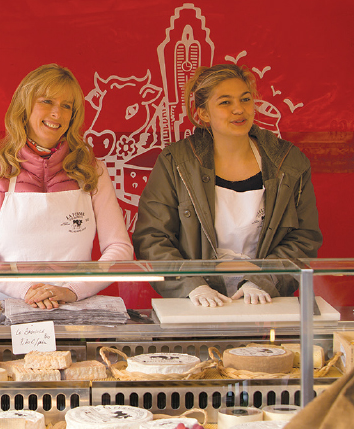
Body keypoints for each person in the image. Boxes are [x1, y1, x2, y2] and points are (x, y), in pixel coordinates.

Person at [132, 63, 322, 307]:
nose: (239, 110)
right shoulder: (175, 163)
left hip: (267, 303)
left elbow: (304, 238)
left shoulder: (289, 162)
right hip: (196, 306)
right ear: (203, 113)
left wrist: (263, 280)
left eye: (245, 99)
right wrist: (192, 285)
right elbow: (152, 237)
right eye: (225, 102)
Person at [0, 64, 133, 308]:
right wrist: (26, 290)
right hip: (6, 311)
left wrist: (72, 290)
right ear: (24, 106)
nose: (57, 113)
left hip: (74, 311)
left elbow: (119, 249)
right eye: (47, 101)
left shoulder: (92, 171)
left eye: (67, 106)